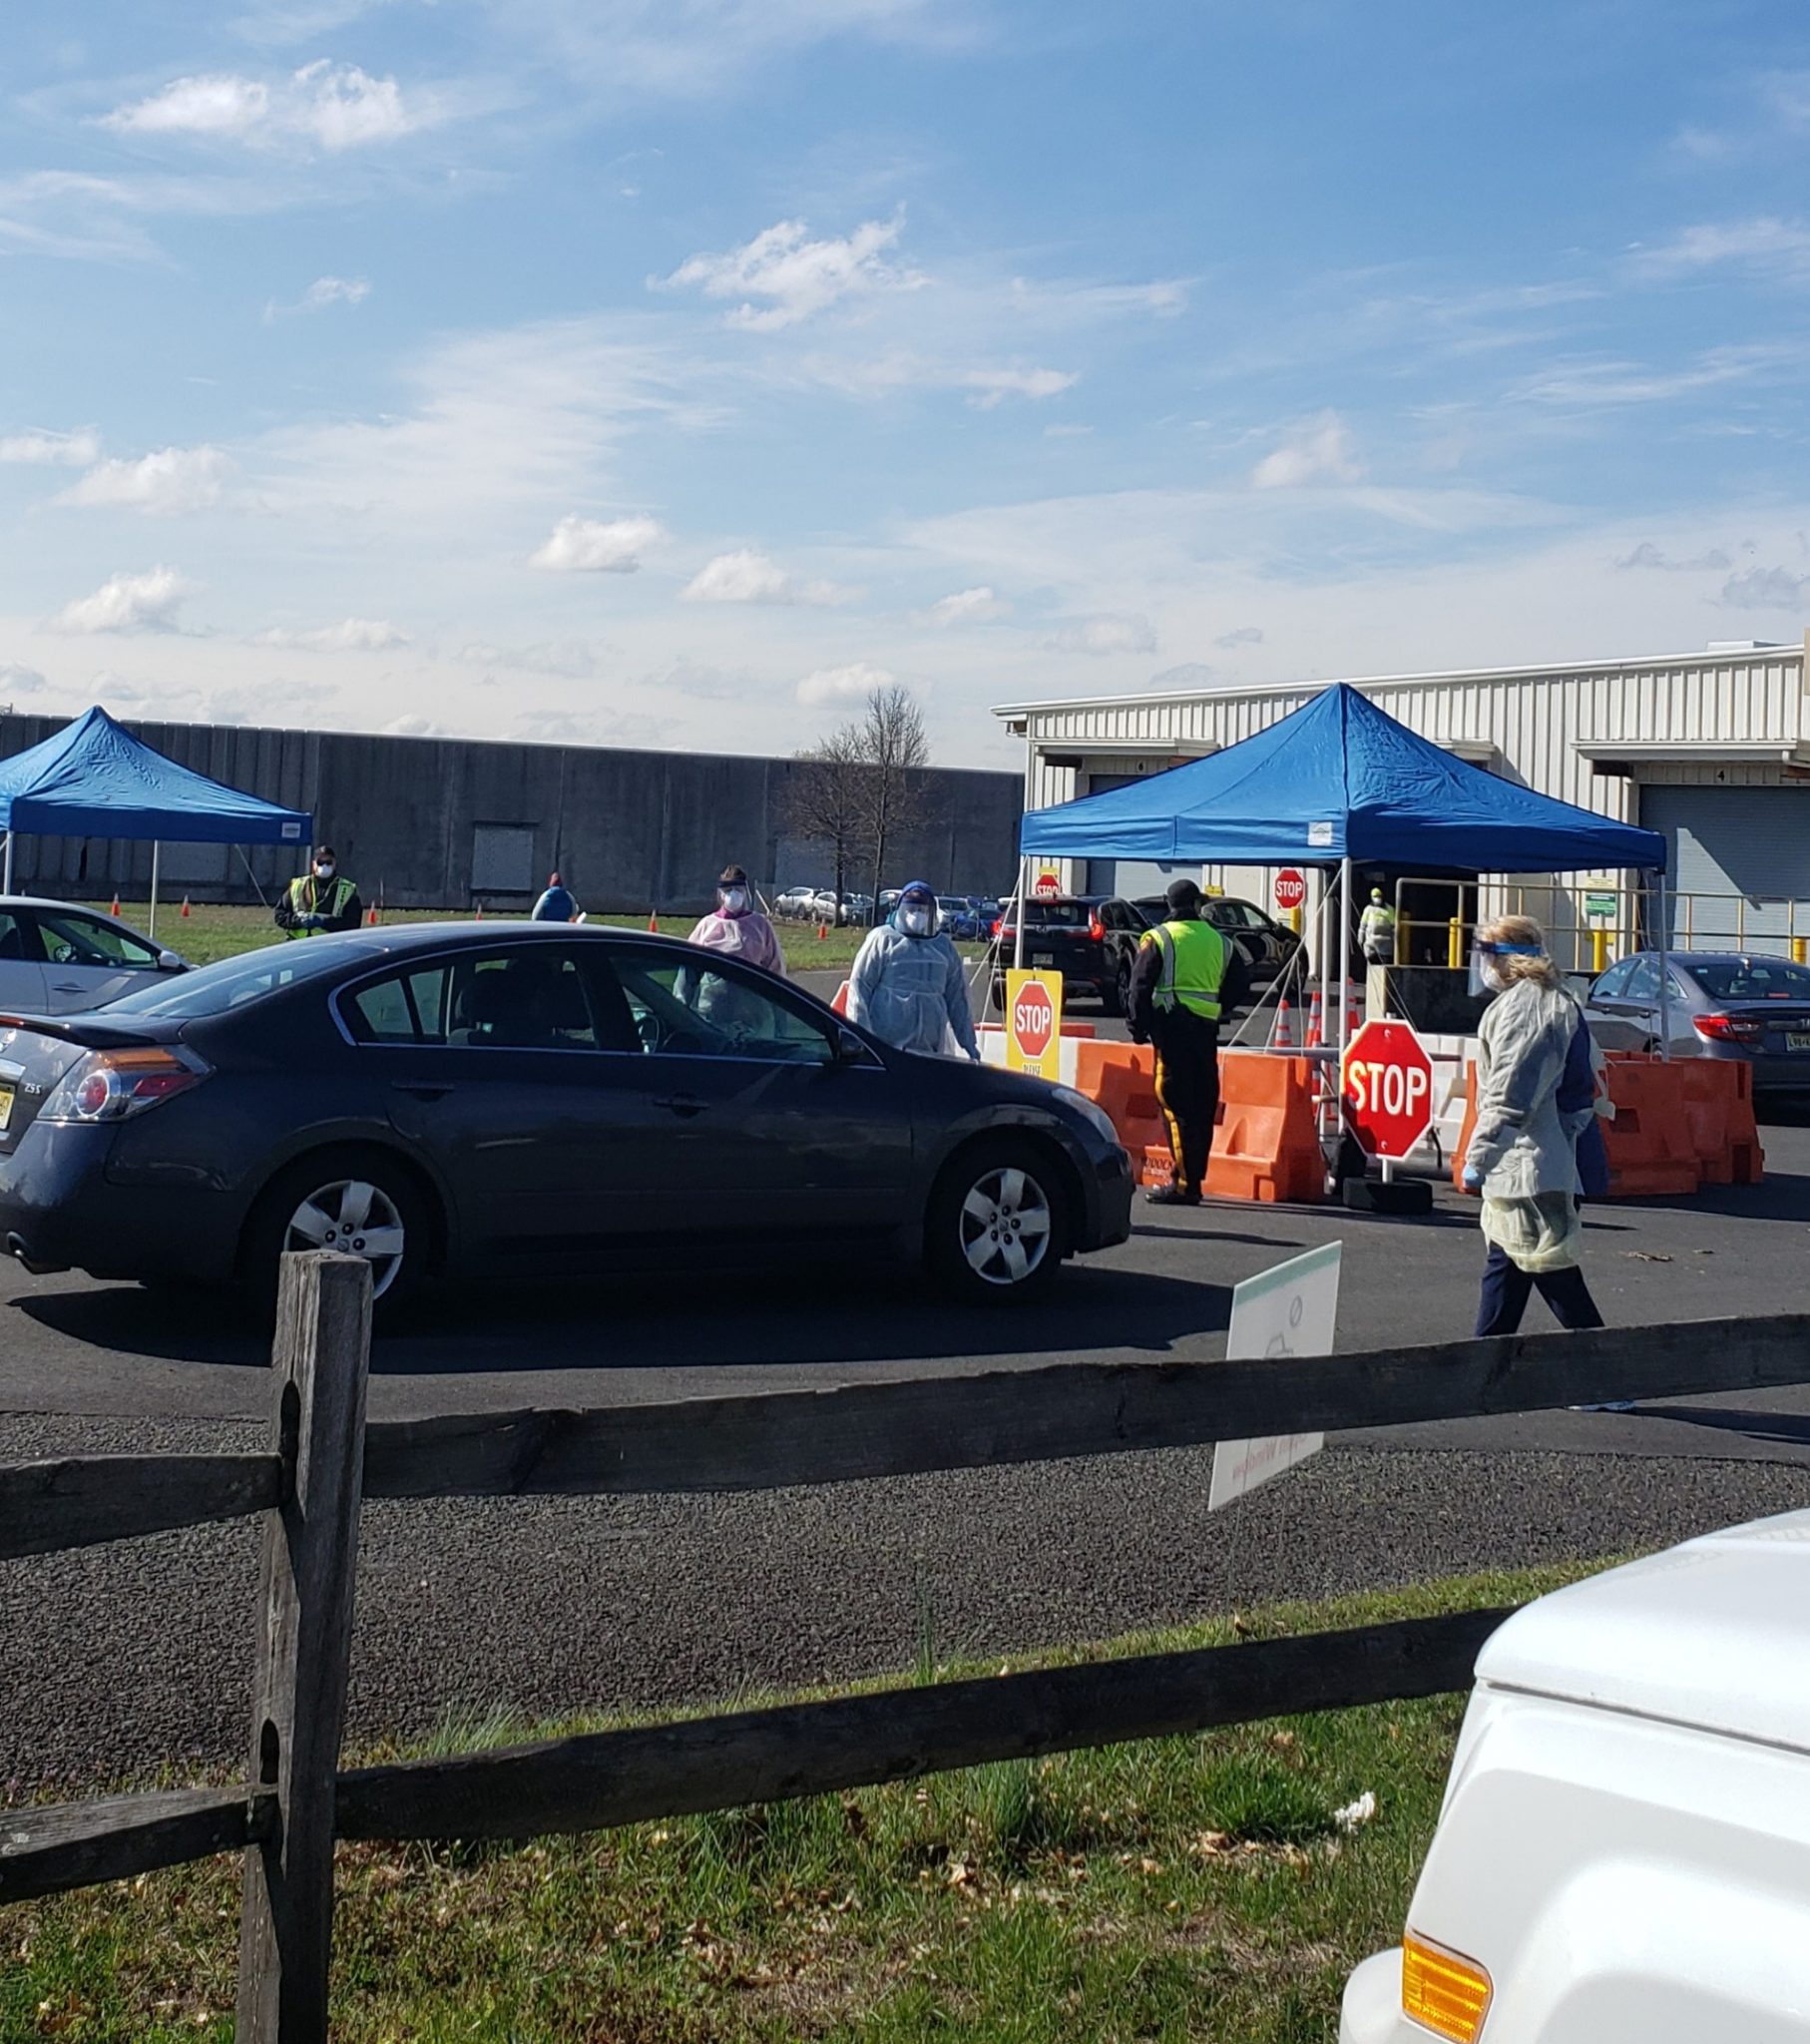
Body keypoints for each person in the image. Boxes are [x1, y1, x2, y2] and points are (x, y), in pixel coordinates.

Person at [1461, 914, 1605, 1337]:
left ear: (1505, 959)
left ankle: (1606, 1379)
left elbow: (1511, 1095)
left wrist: (1480, 1158)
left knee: (1551, 1270)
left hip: (1533, 1164)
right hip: (1535, 1161)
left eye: (1484, 954)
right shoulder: (1549, 999)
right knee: (1509, 1270)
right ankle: (1482, 1372)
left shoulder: (1527, 1009)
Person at [1128, 876, 1249, 1207]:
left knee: (1173, 1102)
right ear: (1196, 905)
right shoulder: (1220, 941)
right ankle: (1192, 1177)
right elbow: (1241, 981)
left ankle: (1184, 1182)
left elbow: (1139, 985)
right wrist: (1219, 1006)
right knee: (1200, 1105)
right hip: (1205, 1031)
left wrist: (1139, 1027)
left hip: (1171, 1030)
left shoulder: (1160, 938)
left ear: (1170, 906)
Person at [848, 878, 979, 1059]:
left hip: (930, 1049)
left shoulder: (943, 948)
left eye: (923, 910)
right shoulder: (882, 940)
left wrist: (968, 1043)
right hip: (887, 1048)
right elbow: (859, 987)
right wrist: (861, 1036)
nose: (916, 915)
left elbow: (957, 999)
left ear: (932, 913)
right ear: (900, 910)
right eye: (911, 909)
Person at [274, 844, 362, 939]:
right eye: (320, 862)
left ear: (334, 864)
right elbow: (280, 915)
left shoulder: (347, 889)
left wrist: (324, 922)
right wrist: (298, 921)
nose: (324, 866)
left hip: (331, 945)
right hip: (297, 944)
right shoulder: (298, 885)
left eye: (328, 862)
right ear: (313, 864)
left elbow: (353, 923)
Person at [1358, 886, 1397, 964]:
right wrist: (1360, 938)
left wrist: (1395, 939)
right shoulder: (1368, 909)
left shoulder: (1389, 909)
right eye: (1375, 897)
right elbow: (1363, 926)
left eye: (1379, 896)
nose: (1377, 899)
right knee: (1372, 963)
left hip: (1386, 942)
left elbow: (1394, 926)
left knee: (1385, 964)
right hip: (1371, 942)